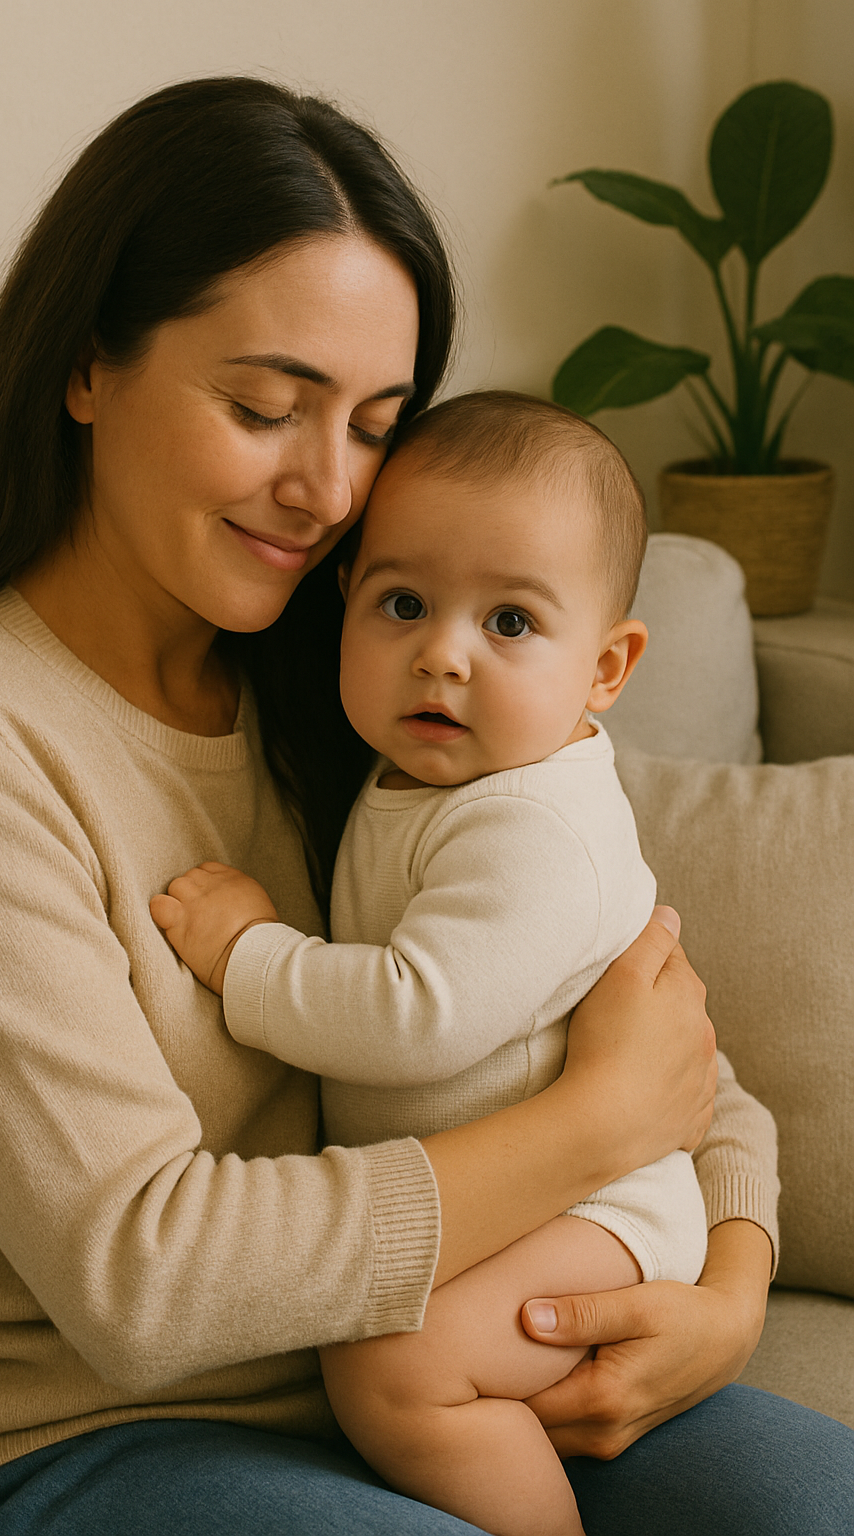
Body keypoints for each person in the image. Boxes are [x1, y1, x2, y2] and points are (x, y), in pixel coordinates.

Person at [0, 77, 849, 1536]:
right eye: (264, 406)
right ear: (84, 367)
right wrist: (590, 1129)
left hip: (454, 1352)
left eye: (373, 425)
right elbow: (142, 1274)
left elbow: (642, 1018)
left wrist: (730, 1295)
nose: (324, 489)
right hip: (94, 1432)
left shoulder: (368, 678)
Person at [151, 390, 720, 1536]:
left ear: (606, 666)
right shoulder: (435, 773)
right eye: (403, 603)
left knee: (392, 1369)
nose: (441, 657)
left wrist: (249, 957)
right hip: (514, 1198)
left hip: (599, 1209)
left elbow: (419, 1015)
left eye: (509, 623)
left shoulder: (533, 827)